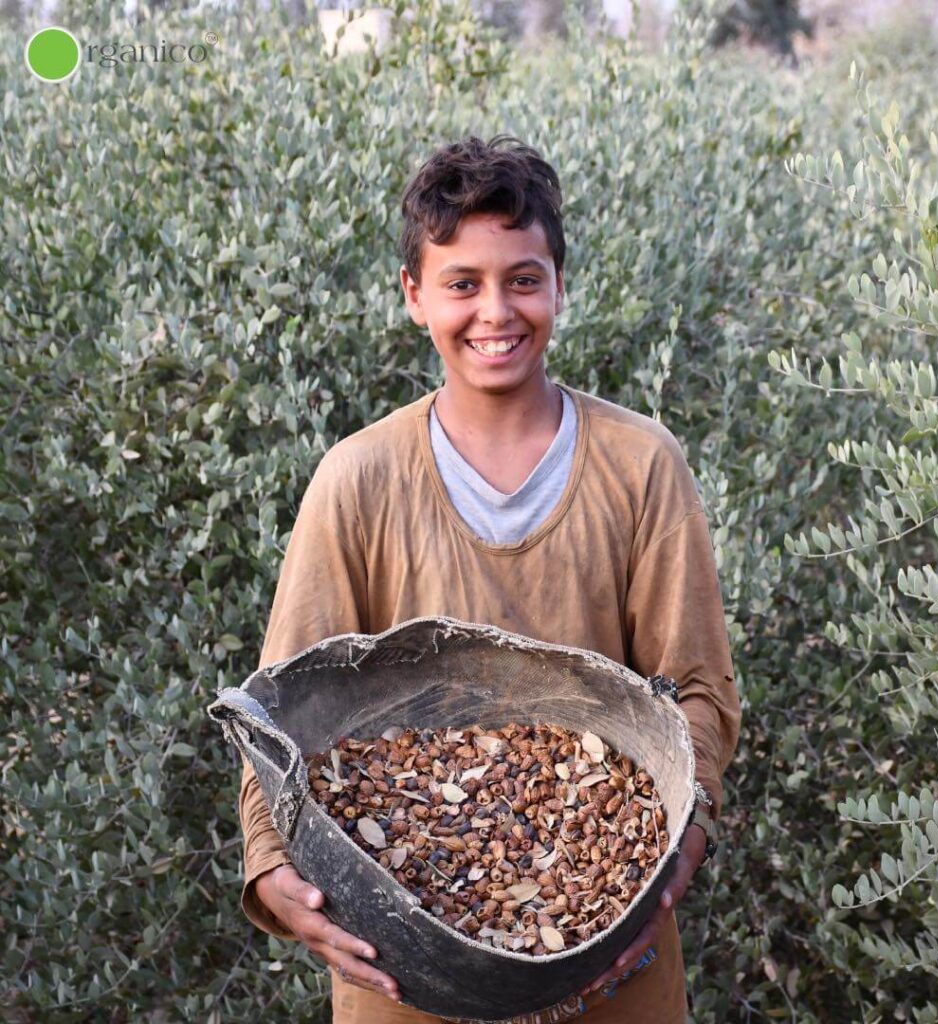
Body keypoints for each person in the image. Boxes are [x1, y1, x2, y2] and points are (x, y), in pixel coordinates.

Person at [237, 134, 741, 1023]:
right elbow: (279, 715)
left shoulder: (640, 466)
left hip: (610, 968)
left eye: (523, 278)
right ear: (414, 297)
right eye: (462, 283)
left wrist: (668, 858)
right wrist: (274, 867)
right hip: (403, 968)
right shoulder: (359, 481)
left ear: (558, 286)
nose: (495, 311)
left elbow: (700, 690)